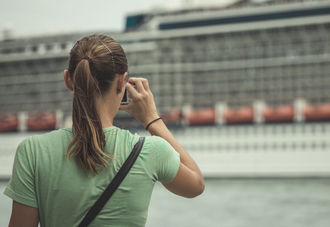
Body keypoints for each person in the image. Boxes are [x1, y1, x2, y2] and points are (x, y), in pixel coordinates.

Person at [4, 34, 205, 227]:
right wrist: (152, 119)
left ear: (68, 80)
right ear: (121, 82)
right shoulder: (152, 151)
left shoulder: (32, 151)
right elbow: (196, 185)